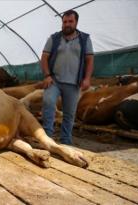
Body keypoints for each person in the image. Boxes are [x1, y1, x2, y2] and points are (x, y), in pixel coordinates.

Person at [40, 10, 94, 145]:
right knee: (48, 102)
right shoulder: (54, 38)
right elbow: (44, 58)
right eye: (64, 22)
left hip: (74, 83)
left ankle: (66, 141)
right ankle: (47, 137)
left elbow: (89, 60)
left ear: (76, 22)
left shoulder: (85, 39)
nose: (67, 24)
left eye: (70, 21)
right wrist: (47, 75)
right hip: (54, 81)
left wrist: (87, 79)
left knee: (69, 114)